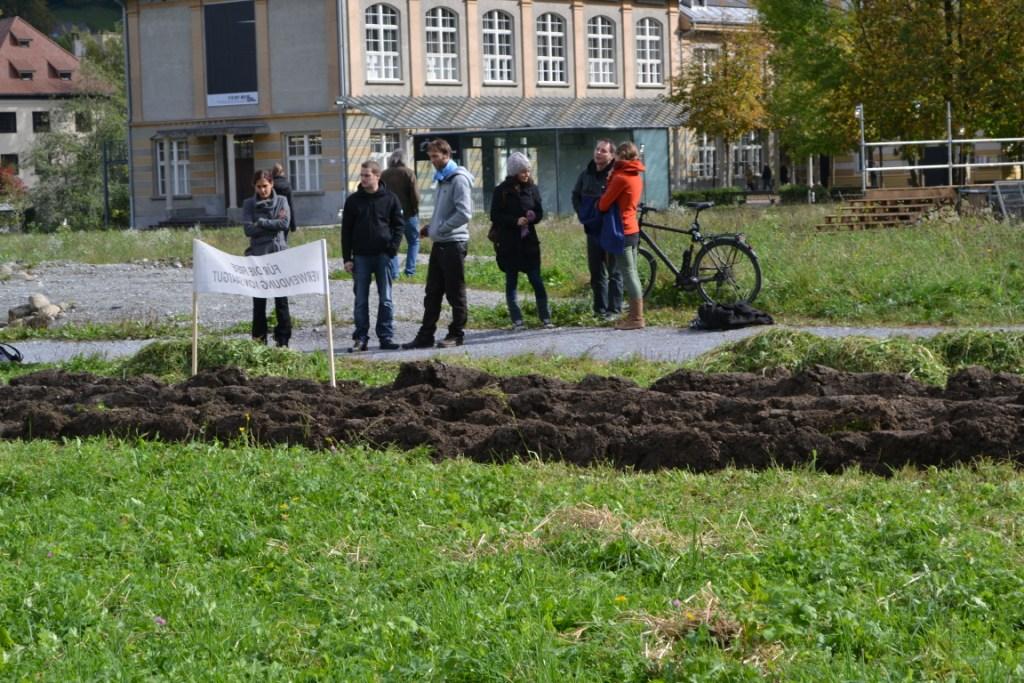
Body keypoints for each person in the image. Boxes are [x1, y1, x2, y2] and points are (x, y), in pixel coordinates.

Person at [402, 138, 474, 349]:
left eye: (435, 156)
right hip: (441, 243)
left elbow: (464, 213)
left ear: (446, 155)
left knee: (455, 292)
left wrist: (440, 229)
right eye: (430, 156)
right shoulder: (443, 178)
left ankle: (456, 334)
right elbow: (444, 212)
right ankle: (426, 335)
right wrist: (430, 227)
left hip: (453, 243)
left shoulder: (458, 179)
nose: (432, 160)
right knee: (432, 292)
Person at [341, 160, 404, 352]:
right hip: (360, 256)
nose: (364, 179)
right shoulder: (353, 201)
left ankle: (385, 336)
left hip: (383, 255)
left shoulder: (390, 198)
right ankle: (361, 337)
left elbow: (399, 226)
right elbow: (346, 231)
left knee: (385, 298)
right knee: (361, 299)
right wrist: (347, 258)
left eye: (367, 175)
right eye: (362, 175)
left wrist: (392, 249)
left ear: (377, 176)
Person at [490, 152, 552, 330]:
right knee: (511, 282)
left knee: (536, 280)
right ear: (514, 172)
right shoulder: (501, 191)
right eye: (523, 171)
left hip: (529, 244)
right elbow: (495, 215)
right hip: (509, 244)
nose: (527, 174)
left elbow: (540, 212)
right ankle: (517, 319)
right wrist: (514, 221)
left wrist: (533, 217)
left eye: (529, 171)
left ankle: (545, 317)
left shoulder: (532, 189)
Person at [571, 139, 622, 319]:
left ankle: (614, 310)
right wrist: (582, 214)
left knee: (614, 272)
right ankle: (599, 309)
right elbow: (575, 195)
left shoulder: (616, 175)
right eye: (597, 149)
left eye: (603, 151)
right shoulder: (586, 174)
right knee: (596, 271)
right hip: (592, 229)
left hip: (611, 229)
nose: (598, 153)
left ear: (612, 155)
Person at [597, 141, 646, 330]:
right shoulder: (635, 176)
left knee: (629, 273)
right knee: (632, 271)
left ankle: (636, 318)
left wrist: (610, 180)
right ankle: (635, 315)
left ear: (621, 156)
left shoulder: (620, 178)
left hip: (621, 230)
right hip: (632, 228)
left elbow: (604, 204)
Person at [242, 169, 292, 346]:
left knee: (281, 300)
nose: (263, 190)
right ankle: (259, 340)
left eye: (265, 186)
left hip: (278, 254)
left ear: (272, 184)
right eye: (259, 187)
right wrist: (271, 225)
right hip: (258, 255)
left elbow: (284, 223)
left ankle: (283, 338)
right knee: (259, 302)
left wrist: (261, 223)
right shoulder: (249, 204)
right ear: (254, 187)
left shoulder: (281, 201)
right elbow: (248, 229)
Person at [380, 149, 421, 279]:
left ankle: (394, 273)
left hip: (390, 215)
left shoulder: (384, 174)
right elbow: (415, 195)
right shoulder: (409, 173)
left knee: (393, 243)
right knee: (414, 241)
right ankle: (410, 271)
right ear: (404, 159)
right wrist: (415, 210)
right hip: (409, 214)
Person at [271, 163, 296, 233]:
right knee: (283, 241)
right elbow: (291, 205)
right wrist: (293, 225)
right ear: (282, 172)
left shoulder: (270, 185)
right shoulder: (287, 185)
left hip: (272, 216)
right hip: (284, 215)